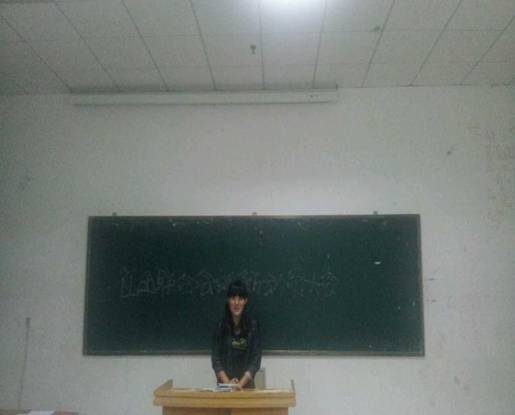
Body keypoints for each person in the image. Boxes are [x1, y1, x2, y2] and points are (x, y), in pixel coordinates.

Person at [211, 280, 262, 389]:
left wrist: (240, 384)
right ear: (228, 300)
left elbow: (255, 360)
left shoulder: (253, 327)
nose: (236, 303)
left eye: (240, 299)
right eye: (233, 298)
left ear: (246, 301)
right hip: (224, 387)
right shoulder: (220, 327)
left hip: (246, 387)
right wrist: (228, 383)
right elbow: (216, 359)